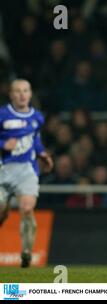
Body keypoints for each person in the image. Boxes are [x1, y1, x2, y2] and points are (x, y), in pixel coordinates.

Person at [0, 79, 54, 267]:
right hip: (4, 169)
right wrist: (2, 144)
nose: (22, 94)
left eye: (25, 90)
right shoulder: (2, 114)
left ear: (30, 94)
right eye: (18, 91)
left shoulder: (37, 117)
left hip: (27, 170)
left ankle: (26, 252)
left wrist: (42, 154)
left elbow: (35, 139)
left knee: (27, 208)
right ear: (11, 94)